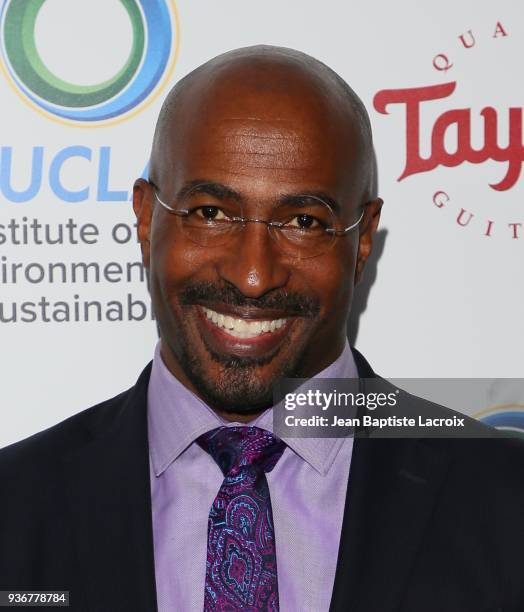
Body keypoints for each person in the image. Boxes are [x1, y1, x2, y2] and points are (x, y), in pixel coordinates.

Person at [1, 45, 523, 612]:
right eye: (211, 213)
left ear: (363, 237)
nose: (253, 276)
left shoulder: (505, 504)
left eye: (304, 222)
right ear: (146, 216)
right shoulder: (14, 508)